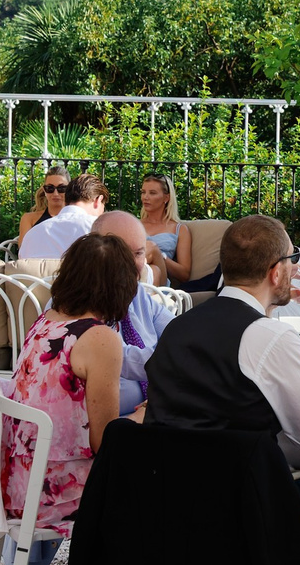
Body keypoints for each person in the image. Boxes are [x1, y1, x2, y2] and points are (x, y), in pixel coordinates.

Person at [142, 214, 300, 555]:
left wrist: (271, 294)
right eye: (291, 260)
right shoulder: (271, 337)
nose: (294, 268)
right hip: (246, 515)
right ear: (275, 271)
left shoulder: (178, 328)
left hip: (169, 502)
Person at [0, 234, 143, 565]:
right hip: (58, 494)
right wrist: (146, 414)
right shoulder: (99, 338)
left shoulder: (46, 320)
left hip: (18, 484)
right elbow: (105, 443)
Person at [90, 208, 177, 410]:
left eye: (138, 253)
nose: (129, 263)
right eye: (118, 253)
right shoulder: (77, 304)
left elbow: (177, 332)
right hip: (112, 426)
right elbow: (120, 357)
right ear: (94, 250)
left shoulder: (136, 293)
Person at [19, 173, 109, 260]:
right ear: (98, 200)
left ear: (66, 200)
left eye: (61, 188)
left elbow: (22, 262)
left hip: (36, 275)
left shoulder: (33, 233)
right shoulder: (98, 229)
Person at [139, 174, 195, 286]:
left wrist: (159, 255)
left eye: (152, 193)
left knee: (152, 248)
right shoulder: (136, 224)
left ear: (166, 198)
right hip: (140, 276)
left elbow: (184, 274)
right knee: (153, 269)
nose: (145, 197)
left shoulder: (180, 229)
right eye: (143, 192)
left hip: (161, 282)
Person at [14, 166, 73, 247]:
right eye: (50, 188)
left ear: (69, 190)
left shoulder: (76, 219)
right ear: (44, 190)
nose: (55, 194)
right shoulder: (29, 219)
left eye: (61, 188)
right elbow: (24, 250)